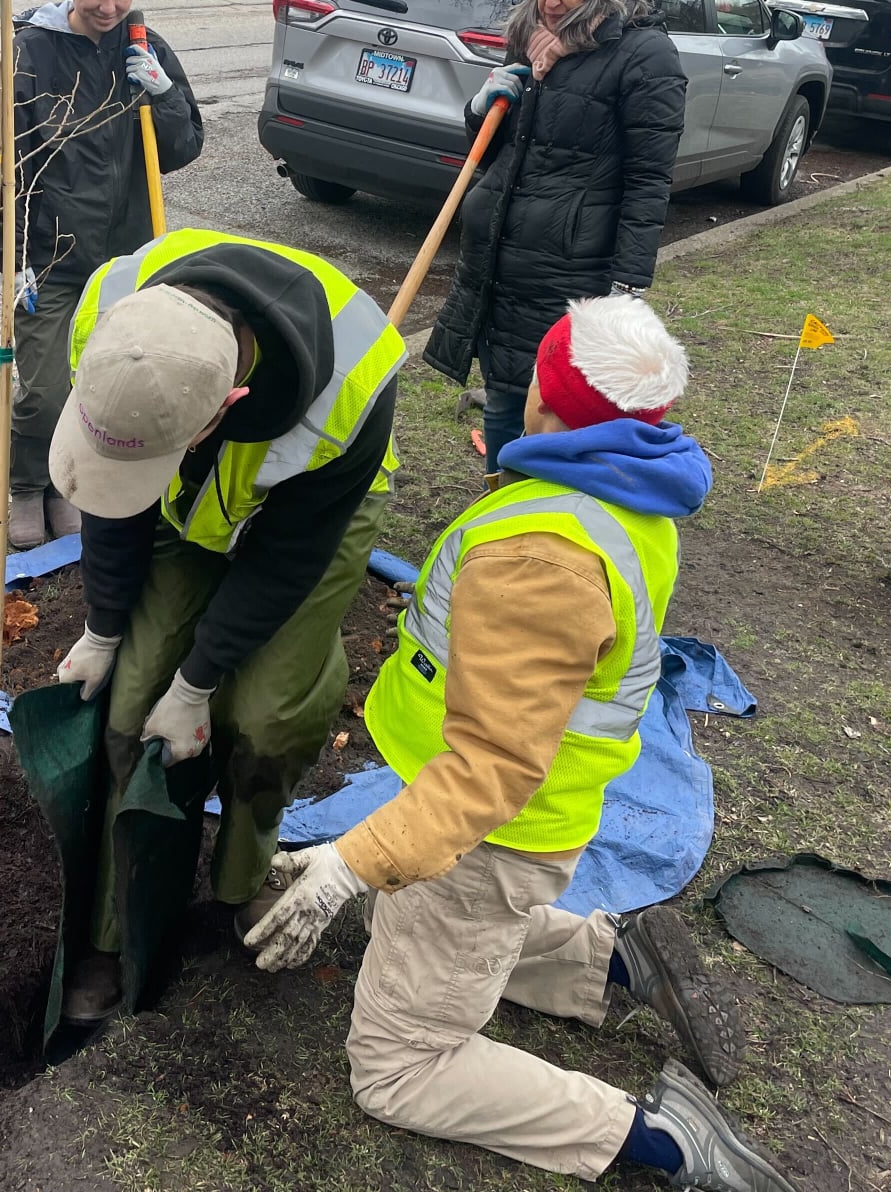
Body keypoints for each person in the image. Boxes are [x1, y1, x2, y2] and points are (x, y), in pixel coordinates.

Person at [242, 295, 794, 1192]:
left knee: (399, 1067)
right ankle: (607, 959)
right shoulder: (619, 487)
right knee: (403, 913)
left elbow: (491, 766)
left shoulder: (539, 553)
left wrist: (349, 860)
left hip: (488, 836)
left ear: (546, 401)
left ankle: (653, 1139)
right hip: (518, 824)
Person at [49, 228, 402, 1022]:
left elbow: (282, 563)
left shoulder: (353, 388)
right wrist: (105, 627)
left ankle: (242, 882)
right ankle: (116, 926)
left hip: (308, 512)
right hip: (181, 495)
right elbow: (114, 487)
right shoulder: (114, 306)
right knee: (132, 701)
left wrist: (201, 679)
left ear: (228, 407)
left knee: (267, 713)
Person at [425, 0, 688, 477]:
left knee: (557, 407)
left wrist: (628, 284)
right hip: (498, 258)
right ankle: (496, 501)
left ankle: (538, 513)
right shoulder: (529, 42)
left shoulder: (644, 56)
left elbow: (650, 179)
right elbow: (500, 152)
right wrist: (480, 109)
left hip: (572, 269)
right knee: (502, 395)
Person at [5, 0, 204, 550]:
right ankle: (25, 484)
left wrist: (164, 94)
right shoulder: (33, 53)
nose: (110, 6)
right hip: (52, 254)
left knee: (105, 384)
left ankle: (68, 485)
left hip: (126, 257)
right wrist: (9, 259)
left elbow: (180, 150)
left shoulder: (145, 49)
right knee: (40, 389)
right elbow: (4, 164)